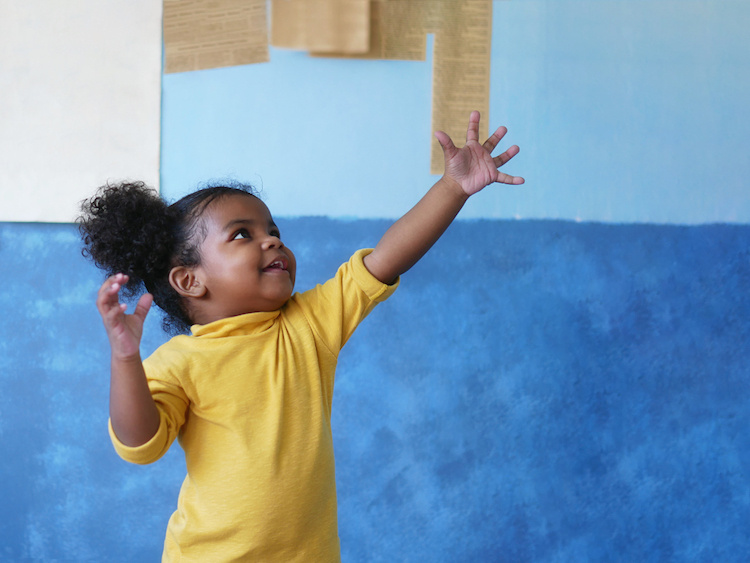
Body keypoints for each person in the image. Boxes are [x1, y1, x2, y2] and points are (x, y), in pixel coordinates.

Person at [79, 111, 523, 562]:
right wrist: (125, 357)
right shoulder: (181, 362)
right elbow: (139, 445)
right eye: (242, 235)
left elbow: (386, 259)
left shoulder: (308, 325)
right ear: (190, 281)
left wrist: (453, 187)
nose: (272, 241)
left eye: (273, 231)